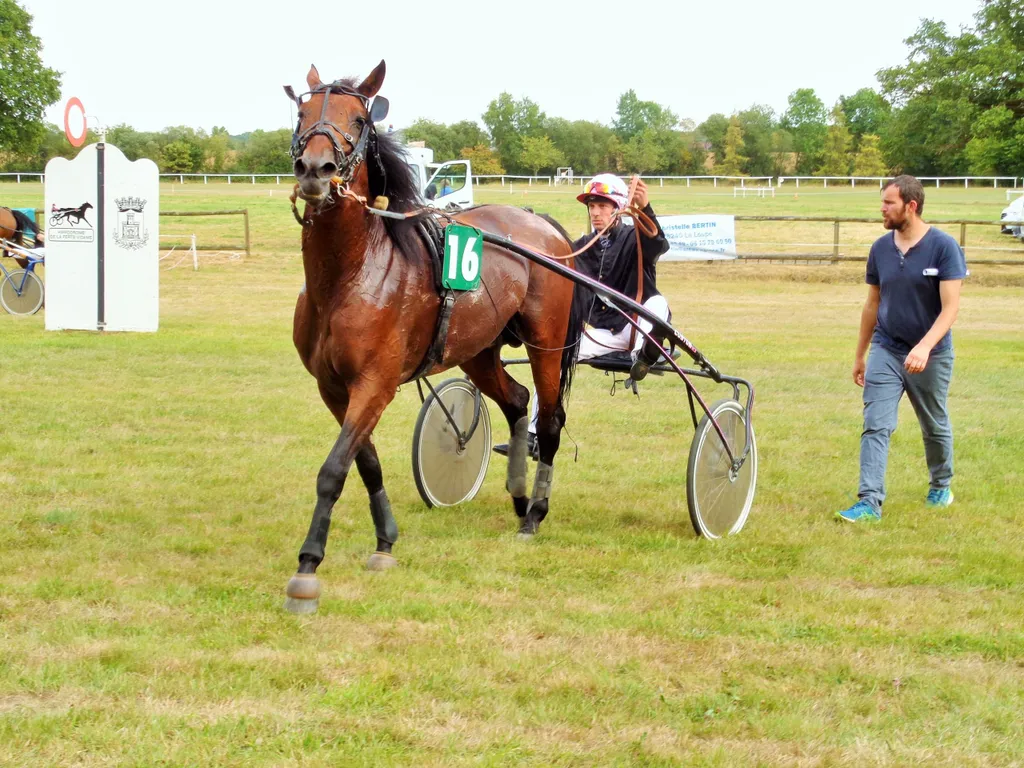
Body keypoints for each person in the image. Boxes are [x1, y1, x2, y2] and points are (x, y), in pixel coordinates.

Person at [494, 173, 671, 459]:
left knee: (658, 304)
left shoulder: (633, 236)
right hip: (605, 333)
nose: (595, 212)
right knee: (555, 356)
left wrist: (644, 208)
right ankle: (533, 435)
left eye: (602, 206)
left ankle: (646, 356)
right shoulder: (581, 247)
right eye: (591, 206)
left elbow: (657, 245)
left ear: (617, 207)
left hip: (640, 326)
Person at [836, 175, 967, 523]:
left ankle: (941, 484)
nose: (882, 208)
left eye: (888, 202)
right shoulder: (880, 248)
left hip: (932, 354)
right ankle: (869, 502)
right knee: (875, 424)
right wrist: (860, 355)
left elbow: (950, 308)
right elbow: (872, 304)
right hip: (887, 348)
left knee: (934, 424)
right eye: (882, 202)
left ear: (911, 205)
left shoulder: (943, 246)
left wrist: (924, 347)